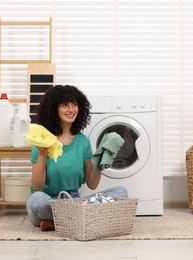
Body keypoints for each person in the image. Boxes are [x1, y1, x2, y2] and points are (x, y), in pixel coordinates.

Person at [26, 85, 127, 231]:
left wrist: (101, 156)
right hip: (48, 202)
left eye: (74, 104)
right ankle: (81, 219)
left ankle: (59, 223)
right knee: (37, 201)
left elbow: (92, 184)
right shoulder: (42, 139)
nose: (71, 109)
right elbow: (37, 187)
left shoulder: (83, 141)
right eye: (65, 105)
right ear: (54, 108)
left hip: (74, 201)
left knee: (121, 192)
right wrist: (42, 154)